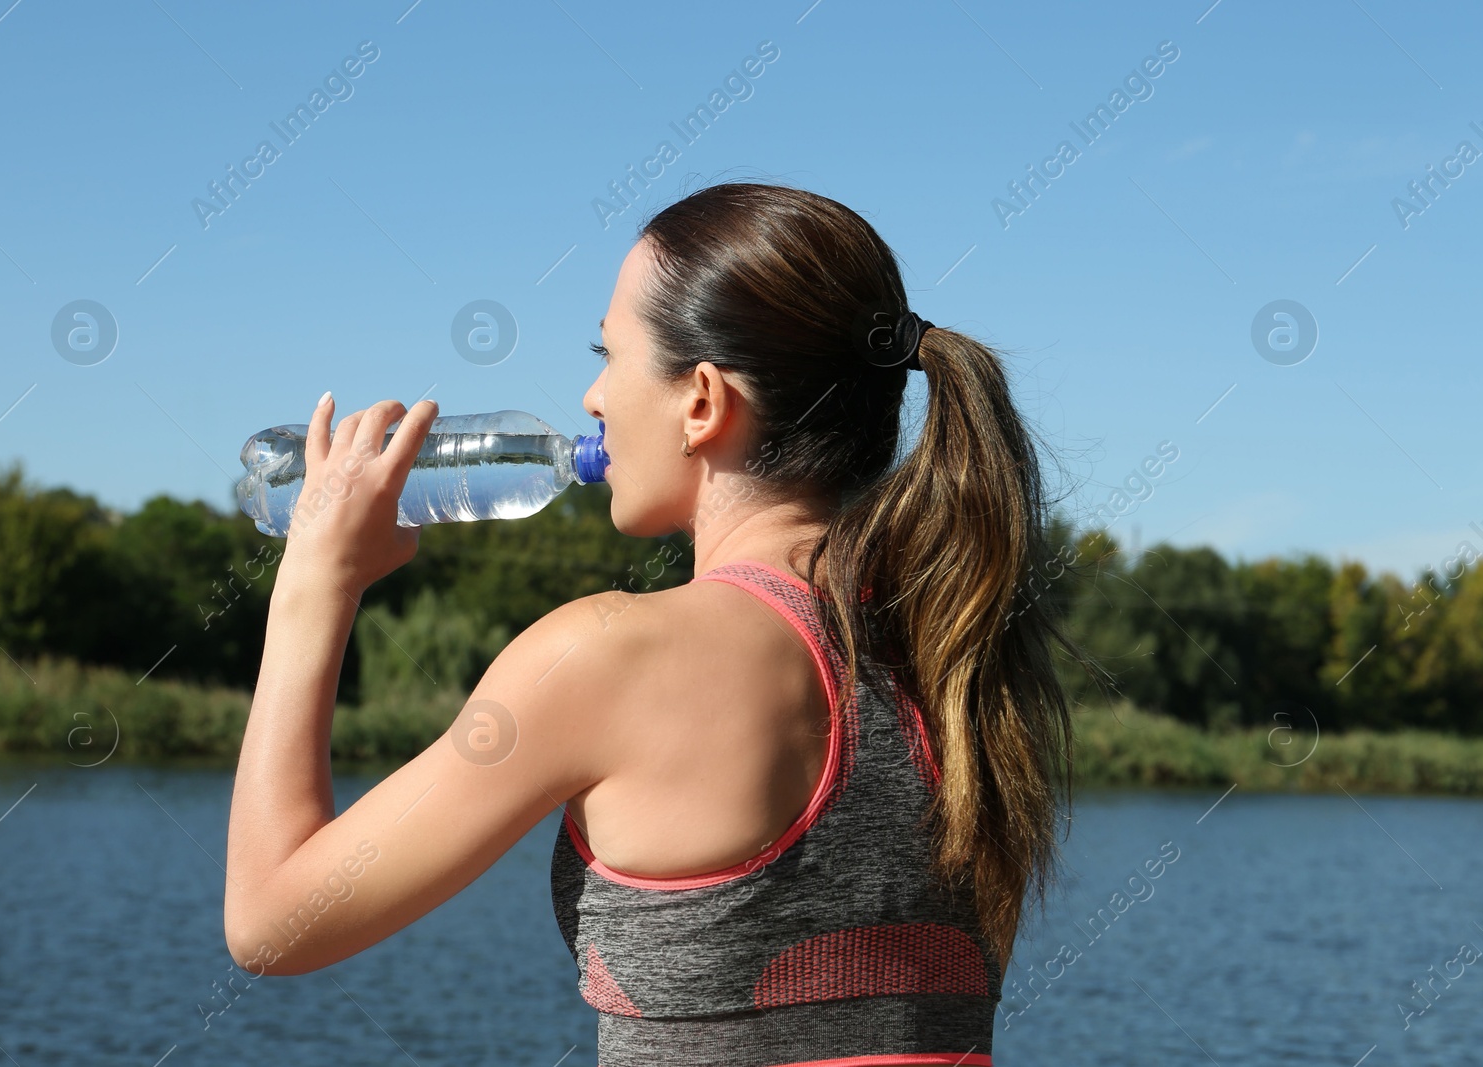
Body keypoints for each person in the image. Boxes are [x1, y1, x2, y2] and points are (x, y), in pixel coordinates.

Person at [225, 180, 1079, 1067]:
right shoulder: (962, 659)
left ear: (701, 401)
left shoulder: (604, 656)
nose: (593, 397)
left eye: (608, 353)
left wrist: (314, 583)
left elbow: (273, 921)